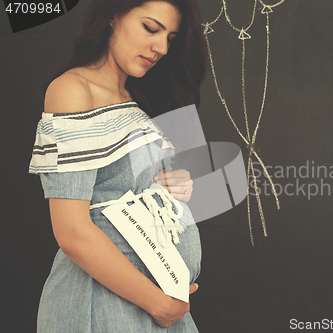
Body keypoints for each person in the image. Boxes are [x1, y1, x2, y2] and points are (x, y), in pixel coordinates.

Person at [29, 0, 206, 331]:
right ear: (113, 15)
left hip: (157, 305)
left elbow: (123, 186)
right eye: (151, 28)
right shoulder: (73, 89)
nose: (161, 47)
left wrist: (170, 187)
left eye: (170, 37)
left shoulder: (136, 97)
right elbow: (72, 231)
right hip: (106, 303)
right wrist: (160, 304)